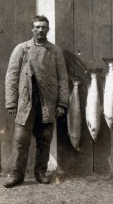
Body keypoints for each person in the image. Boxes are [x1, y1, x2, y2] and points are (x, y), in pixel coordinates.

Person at [4, 15, 69, 188]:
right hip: (26, 104)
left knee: (44, 140)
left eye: (43, 27)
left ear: (48, 29)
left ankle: (40, 172)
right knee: (20, 141)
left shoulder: (55, 51)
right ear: (32, 29)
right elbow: (11, 77)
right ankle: (16, 174)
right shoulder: (22, 49)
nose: (40, 30)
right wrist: (11, 103)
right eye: (37, 27)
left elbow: (63, 78)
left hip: (47, 104)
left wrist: (62, 103)